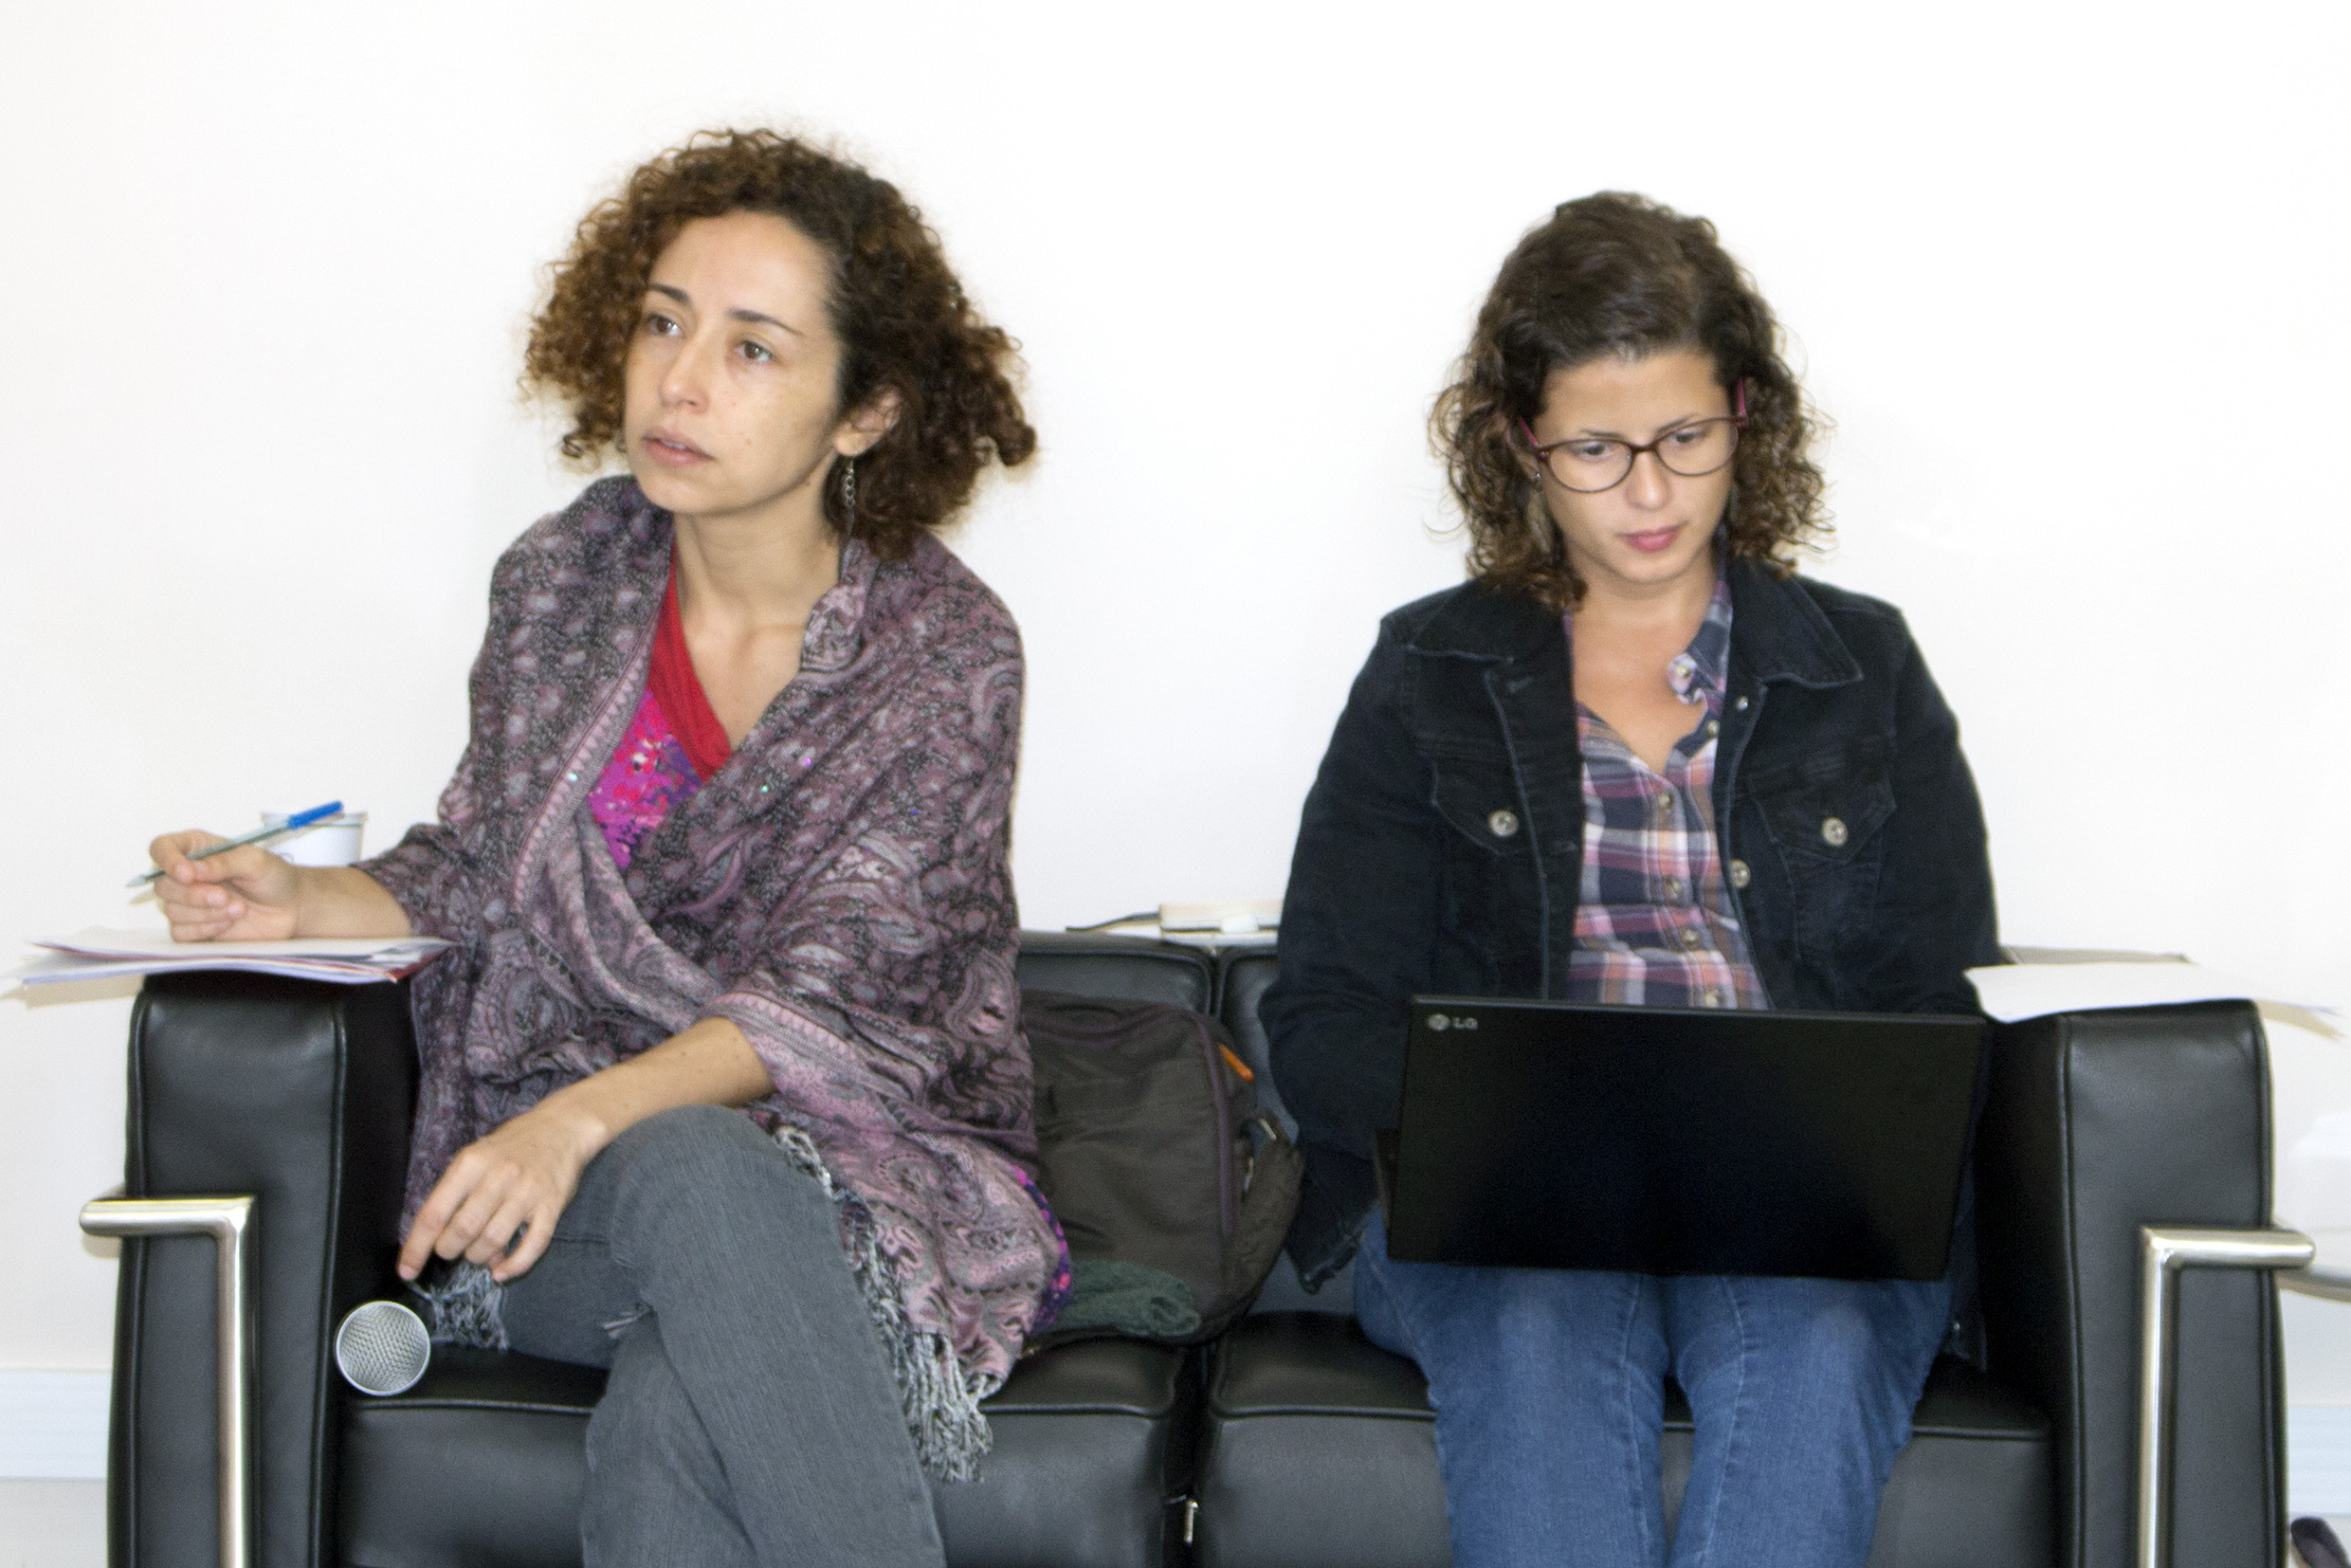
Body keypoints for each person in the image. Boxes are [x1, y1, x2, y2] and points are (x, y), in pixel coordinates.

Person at [145, 129, 1065, 1567]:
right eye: (661, 322)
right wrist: (301, 896)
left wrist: (584, 1118)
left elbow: (839, 999)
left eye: (752, 349)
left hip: (863, 1184)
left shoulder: (944, 654)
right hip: (551, 1212)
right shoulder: (562, 581)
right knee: (702, 1197)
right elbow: (481, 867)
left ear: (867, 410)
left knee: (681, 1391)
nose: (680, 381)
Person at [1260, 191, 1999, 1568]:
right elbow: (1324, 1013)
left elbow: (1937, 1004)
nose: (1650, 494)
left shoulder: (1863, 666)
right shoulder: (1429, 674)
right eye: (1597, 451)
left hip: (1800, 1213)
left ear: (1744, 414)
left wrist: (1832, 1143)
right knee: (1541, 1319)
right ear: (1519, 444)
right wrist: (1509, 1130)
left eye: (1685, 438)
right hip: (1496, 1216)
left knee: (1818, 1335)